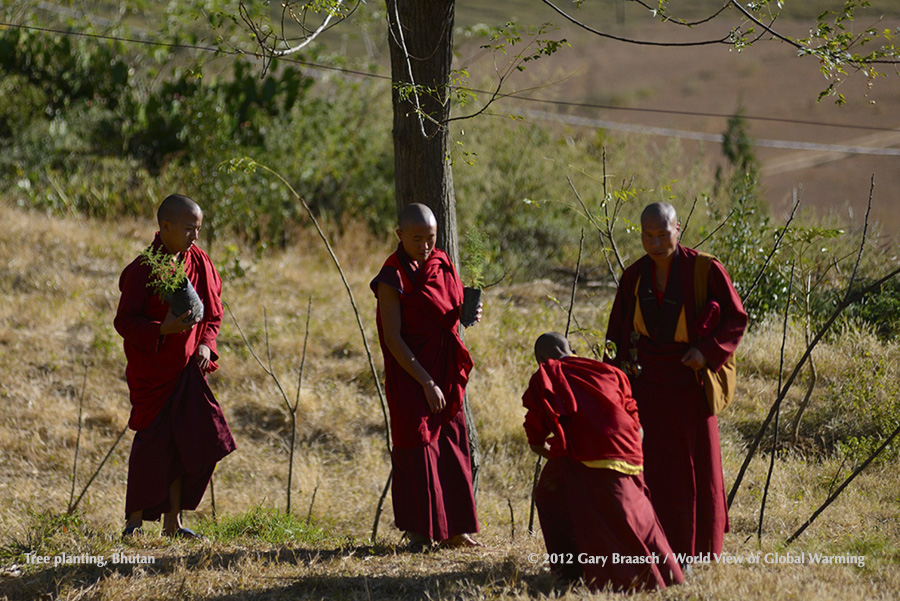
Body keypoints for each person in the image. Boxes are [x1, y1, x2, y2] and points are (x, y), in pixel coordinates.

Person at [605, 201, 747, 559]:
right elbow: (617, 334)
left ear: (678, 229)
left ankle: (699, 547)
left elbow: (735, 317)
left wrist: (708, 352)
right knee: (650, 465)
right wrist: (615, 383)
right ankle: (653, 542)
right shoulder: (634, 276)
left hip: (689, 383)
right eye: (647, 236)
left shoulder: (704, 269)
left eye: (662, 234)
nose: (655, 243)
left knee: (696, 467)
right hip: (646, 384)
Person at [114, 194, 236, 539]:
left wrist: (206, 345)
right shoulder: (143, 270)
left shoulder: (201, 262)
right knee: (152, 447)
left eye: (197, 229)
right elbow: (123, 322)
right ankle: (134, 524)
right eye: (187, 229)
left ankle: (174, 524)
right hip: (153, 373)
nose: (194, 237)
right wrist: (161, 330)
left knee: (196, 441)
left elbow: (213, 314)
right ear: (165, 227)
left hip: (188, 372)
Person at [523, 332, 684, 591]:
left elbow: (535, 439)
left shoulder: (547, 374)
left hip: (589, 453)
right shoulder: (610, 371)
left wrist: (563, 455)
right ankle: (666, 572)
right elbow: (635, 419)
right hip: (631, 448)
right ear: (571, 350)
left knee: (554, 498)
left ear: (541, 359)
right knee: (636, 512)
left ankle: (577, 573)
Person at [370, 203, 481, 549]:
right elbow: (393, 337)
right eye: (417, 239)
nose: (425, 246)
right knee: (416, 447)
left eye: (431, 238)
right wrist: (426, 382)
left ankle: (455, 531)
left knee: (451, 447)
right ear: (400, 235)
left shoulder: (441, 263)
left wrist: (469, 311)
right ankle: (419, 533)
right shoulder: (392, 276)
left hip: (444, 369)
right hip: (411, 373)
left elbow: (450, 307)